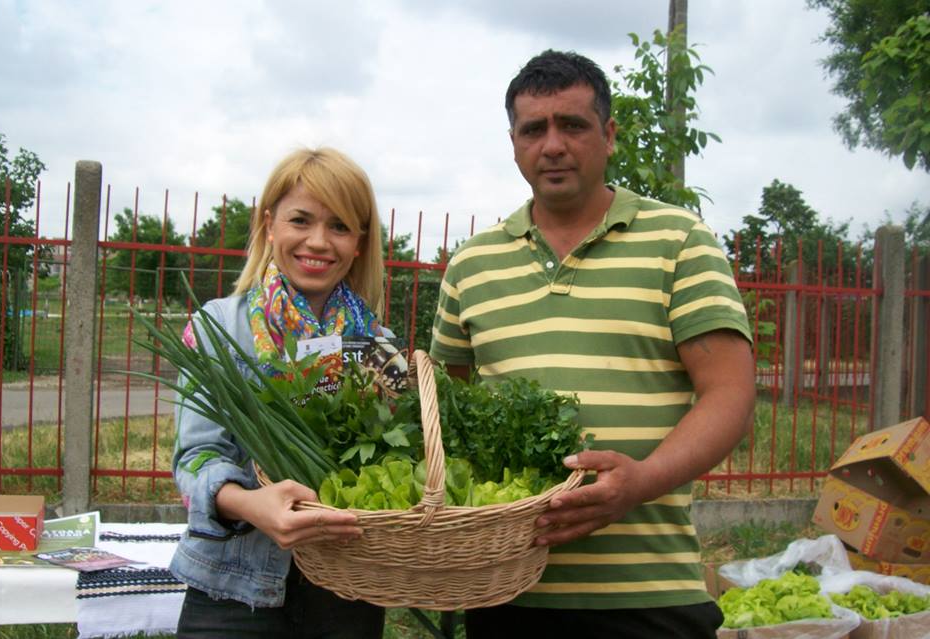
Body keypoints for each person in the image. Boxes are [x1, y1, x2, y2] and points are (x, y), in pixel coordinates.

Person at [429, 49, 756, 638]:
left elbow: (730, 394)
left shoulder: (679, 240)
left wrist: (642, 483)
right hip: (506, 592)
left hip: (649, 593)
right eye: (534, 129)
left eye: (573, 125)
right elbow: (444, 415)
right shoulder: (472, 265)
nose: (552, 145)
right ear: (513, 143)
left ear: (608, 134)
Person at [171, 147, 393, 639]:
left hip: (346, 587)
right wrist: (253, 505)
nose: (318, 241)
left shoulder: (375, 344)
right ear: (269, 225)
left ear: (359, 242)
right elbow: (193, 460)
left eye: (339, 226)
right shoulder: (218, 327)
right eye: (301, 220)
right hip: (232, 586)